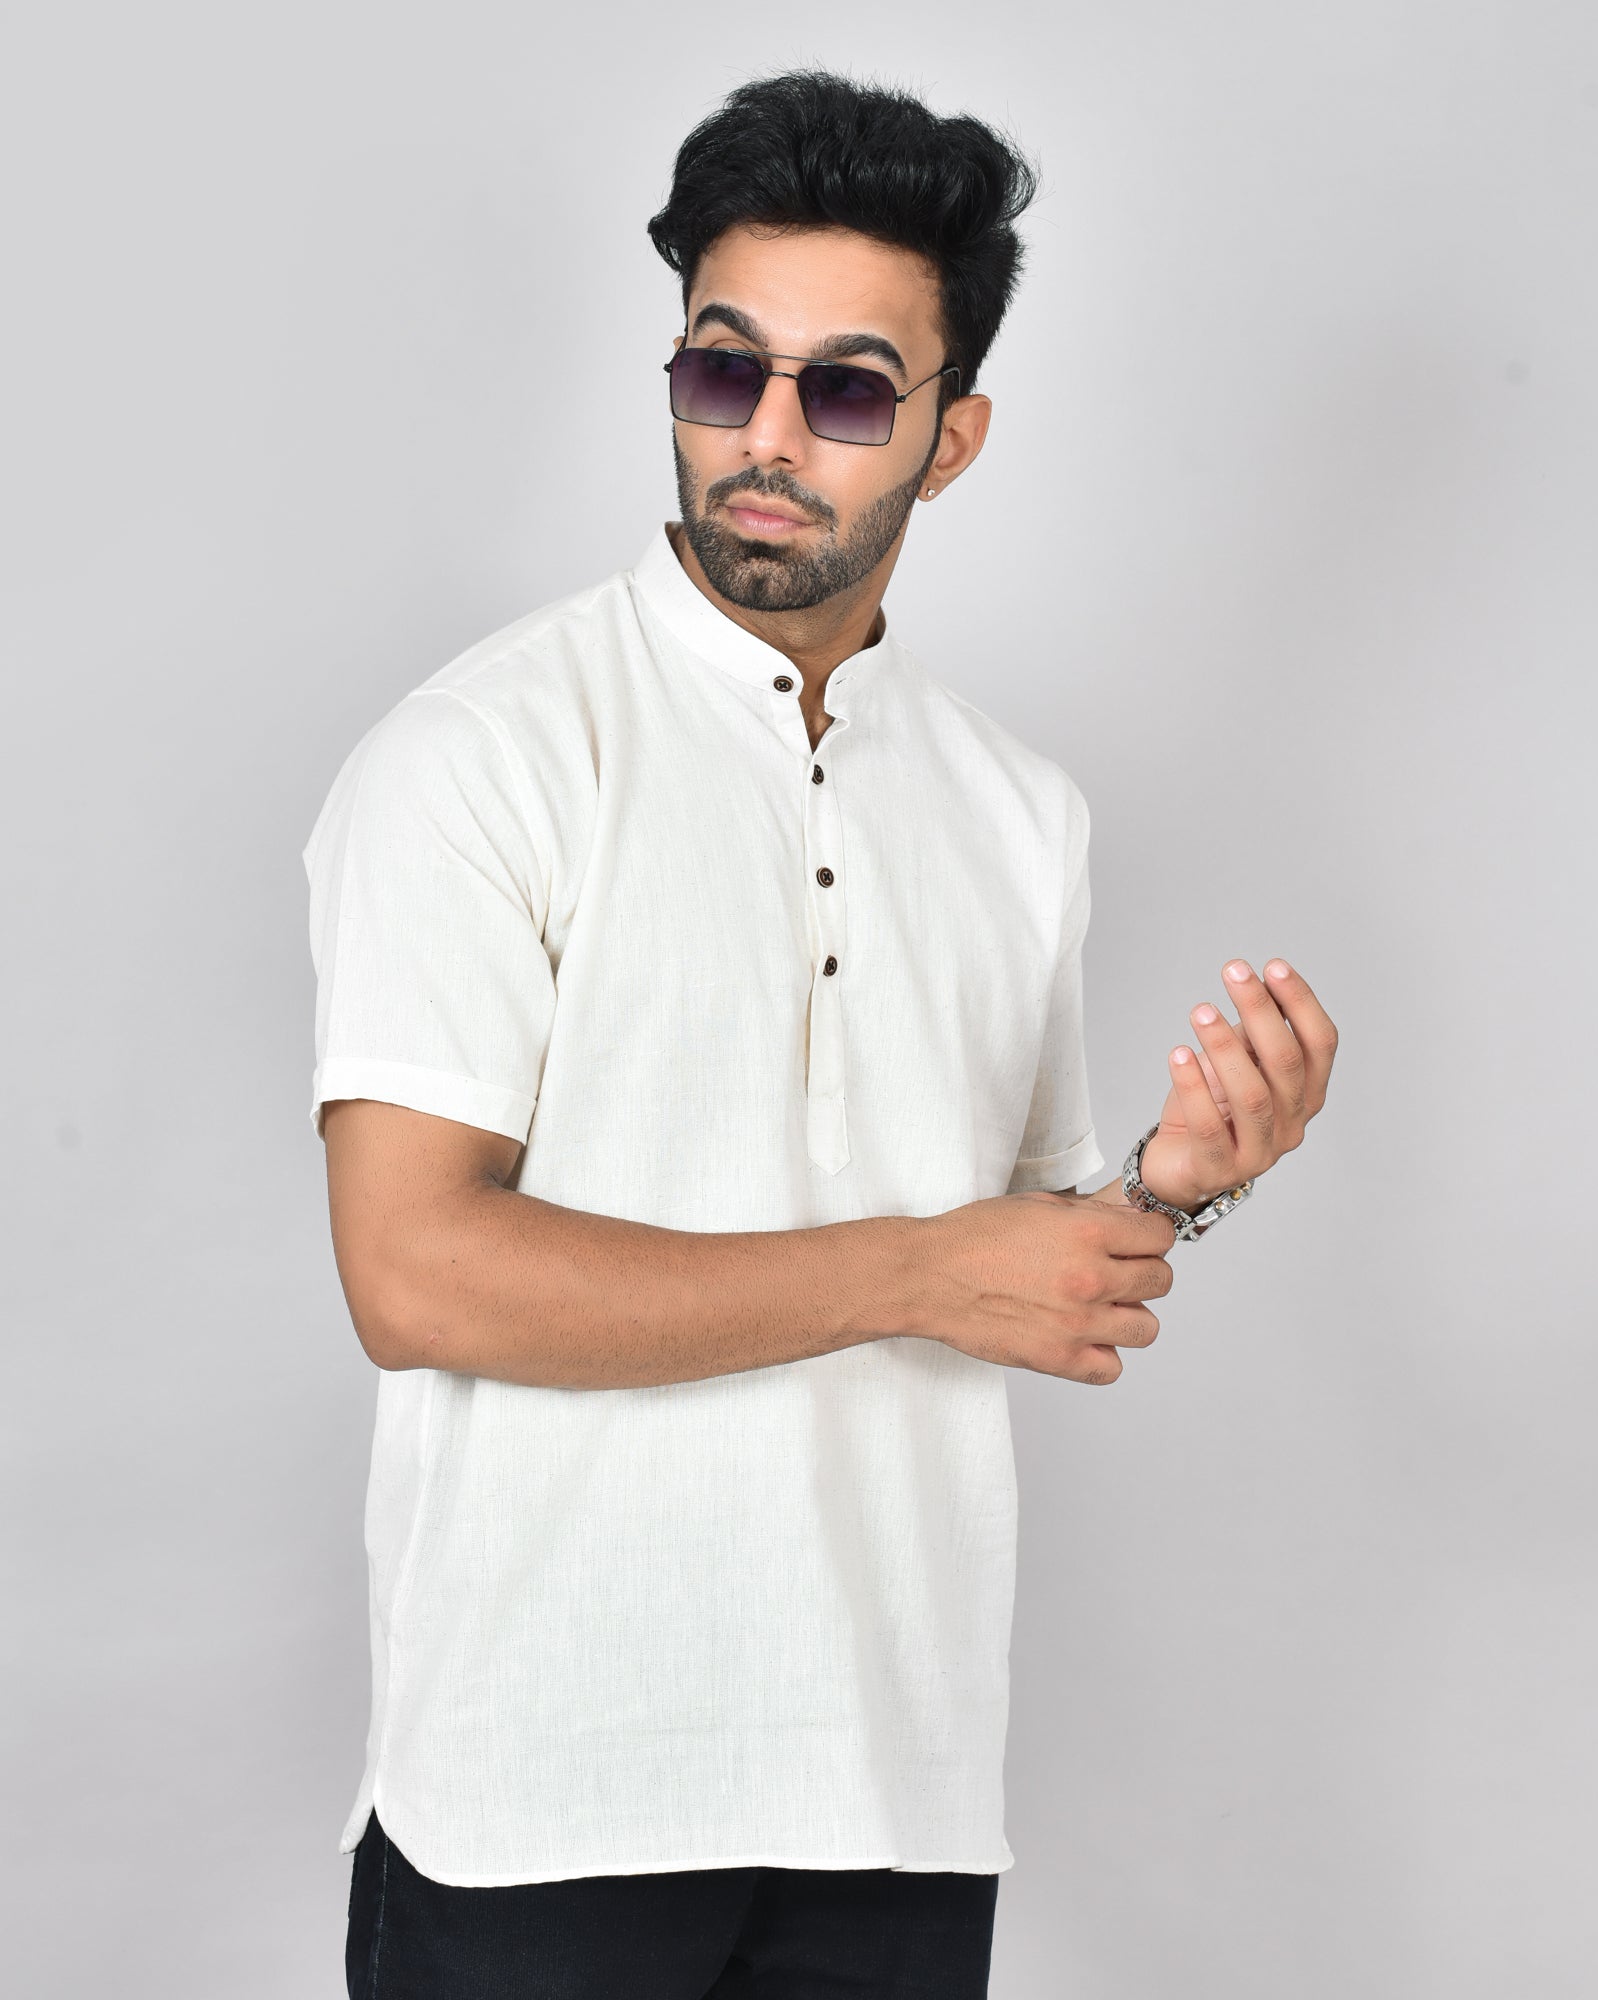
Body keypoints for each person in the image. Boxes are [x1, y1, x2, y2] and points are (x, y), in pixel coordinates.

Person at [304, 67, 1338, 2000]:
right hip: (538, 1797)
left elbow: (1018, 1268)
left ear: (951, 440)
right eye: (724, 370)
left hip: (892, 1796)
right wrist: (923, 1268)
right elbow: (415, 1274)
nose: (767, 438)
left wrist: (1172, 1191)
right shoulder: (482, 757)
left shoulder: (1018, 813)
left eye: (849, 391)